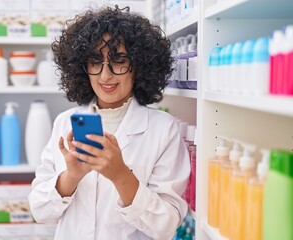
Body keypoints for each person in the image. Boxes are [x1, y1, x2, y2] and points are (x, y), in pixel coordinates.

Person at [28, 5, 190, 240]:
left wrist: (121, 175)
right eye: (95, 61)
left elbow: (166, 225)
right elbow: (40, 211)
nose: (106, 75)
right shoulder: (65, 124)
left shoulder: (162, 129)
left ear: (139, 66)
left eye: (119, 61)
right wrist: (70, 176)